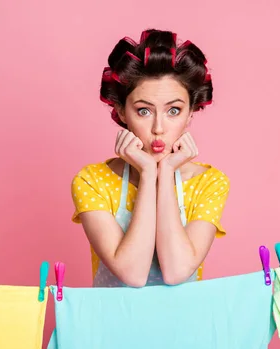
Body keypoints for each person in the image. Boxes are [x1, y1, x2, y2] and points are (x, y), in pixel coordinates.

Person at [71, 29, 230, 288]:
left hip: (185, 326)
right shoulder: (92, 181)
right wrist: (147, 173)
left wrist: (165, 172)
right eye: (143, 111)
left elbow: (177, 271)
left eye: (174, 111)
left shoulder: (210, 183)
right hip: (112, 326)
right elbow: (132, 273)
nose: (158, 127)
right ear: (121, 111)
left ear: (191, 113)